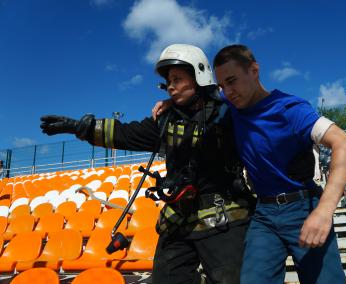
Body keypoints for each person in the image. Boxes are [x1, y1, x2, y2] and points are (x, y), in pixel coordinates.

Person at [40, 44, 254, 284]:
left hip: (225, 219)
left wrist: (212, 95)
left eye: (177, 78)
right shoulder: (165, 120)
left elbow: (247, 103)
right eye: (168, 80)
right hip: (178, 219)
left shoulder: (227, 113)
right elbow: (125, 134)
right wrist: (80, 128)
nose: (171, 85)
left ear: (199, 76)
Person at [153, 44, 346, 283]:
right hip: (264, 213)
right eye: (222, 86)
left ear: (254, 70)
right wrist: (173, 106)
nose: (228, 92)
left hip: (303, 206)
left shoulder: (289, 109)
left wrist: (324, 211)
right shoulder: (230, 109)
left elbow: (345, 144)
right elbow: (200, 102)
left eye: (232, 81)